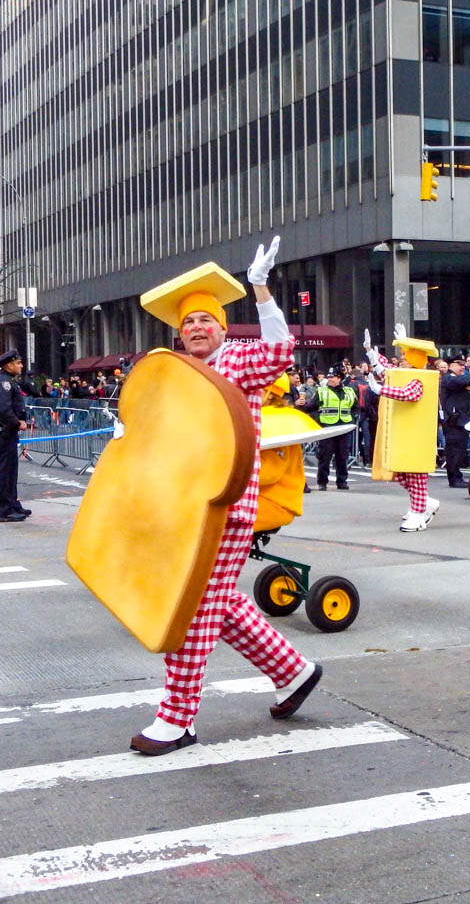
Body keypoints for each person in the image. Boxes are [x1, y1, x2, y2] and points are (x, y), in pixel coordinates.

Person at [131, 238, 320, 756]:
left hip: (227, 507)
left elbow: (281, 351)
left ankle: (177, 718)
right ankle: (295, 671)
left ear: (221, 327)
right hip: (185, 508)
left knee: (191, 610)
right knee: (220, 604)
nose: (195, 329)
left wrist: (261, 288)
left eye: (204, 321)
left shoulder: (239, 362)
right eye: (188, 323)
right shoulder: (175, 371)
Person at [364, 326, 441, 531]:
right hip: (406, 433)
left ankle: (418, 514)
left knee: (416, 476)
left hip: (418, 435)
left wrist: (381, 389)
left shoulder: (420, 378)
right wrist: (371, 352)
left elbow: (409, 394)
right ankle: (425, 503)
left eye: (406, 357)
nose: (401, 360)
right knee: (400, 473)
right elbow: (388, 371)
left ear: (415, 361)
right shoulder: (406, 374)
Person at [0, 350, 31, 522]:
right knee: (6, 471)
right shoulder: (3, 383)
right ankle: (5, 510)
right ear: (9, 365)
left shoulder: (8, 381)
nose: (21, 366)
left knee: (11, 471)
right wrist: (17, 422)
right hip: (4, 432)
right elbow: (3, 409)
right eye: (18, 363)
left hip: (7, 432)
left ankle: (12, 503)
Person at [304, 364, 356, 490]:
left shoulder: (349, 391)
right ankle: (322, 482)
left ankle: (342, 481)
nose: (331, 379)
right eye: (330, 377)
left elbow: (355, 408)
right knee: (324, 456)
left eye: (334, 377)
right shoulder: (322, 391)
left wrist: (352, 421)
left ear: (340, 378)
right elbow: (311, 407)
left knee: (342, 456)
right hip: (327, 428)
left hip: (344, 427)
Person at [440, 355, 470, 488]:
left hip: (461, 420)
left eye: (463, 364)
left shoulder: (457, 378)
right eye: (459, 364)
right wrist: (468, 378)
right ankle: (454, 478)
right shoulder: (448, 378)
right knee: (454, 450)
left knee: (459, 450)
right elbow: (465, 380)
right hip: (453, 421)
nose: (462, 366)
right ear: (450, 365)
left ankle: (457, 476)